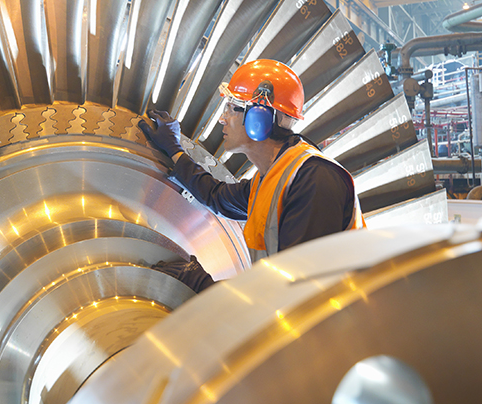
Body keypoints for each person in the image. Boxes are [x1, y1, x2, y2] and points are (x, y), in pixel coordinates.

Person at [138, 59, 364, 291]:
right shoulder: (272, 179)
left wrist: (204, 286)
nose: (221, 118)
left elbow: (297, 291)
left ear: (259, 117)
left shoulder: (315, 181)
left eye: (231, 107)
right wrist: (174, 150)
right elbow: (215, 195)